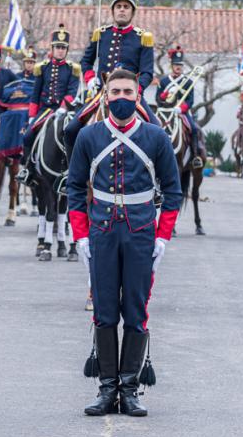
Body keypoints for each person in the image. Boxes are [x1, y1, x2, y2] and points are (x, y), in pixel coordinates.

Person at [67, 68, 182, 417]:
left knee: (135, 310)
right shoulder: (88, 137)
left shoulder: (156, 137)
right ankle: (106, 390)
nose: (120, 98)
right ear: (104, 94)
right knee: (104, 310)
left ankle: (130, 390)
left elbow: (174, 191)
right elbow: (74, 189)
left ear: (138, 96)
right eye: (114, 91)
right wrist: (81, 235)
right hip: (101, 231)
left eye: (127, 92)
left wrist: (162, 237)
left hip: (141, 232)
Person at [65, 0, 159, 159]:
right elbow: (86, 62)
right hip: (103, 93)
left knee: (158, 131)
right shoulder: (101, 34)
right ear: (113, 10)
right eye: (118, 6)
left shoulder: (143, 37)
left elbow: (147, 72)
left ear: (132, 11)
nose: (122, 10)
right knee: (70, 130)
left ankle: (158, 179)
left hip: (133, 95)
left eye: (126, 6)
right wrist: (91, 77)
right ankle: (71, 176)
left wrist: (136, 91)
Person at [17, 25, 80, 185]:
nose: (60, 50)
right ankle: (27, 169)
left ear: (67, 50)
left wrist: (63, 108)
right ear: (52, 48)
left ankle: (75, 169)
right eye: (58, 47)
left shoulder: (73, 69)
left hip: (64, 111)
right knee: (28, 135)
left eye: (63, 48)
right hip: (45, 110)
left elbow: (72, 92)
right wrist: (32, 116)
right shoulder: (42, 68)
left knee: (74, 134)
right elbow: (35, 95)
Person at [157, 46, 204, 167]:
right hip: (165, 112)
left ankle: (195, 157)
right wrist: (166, 94)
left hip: (181, 112)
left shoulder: (188, 82)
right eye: (176, 64)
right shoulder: (163, 82)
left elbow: (190, 101)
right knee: (152, 127)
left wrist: (181, 108)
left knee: (194, 129)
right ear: (171, 65)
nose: (178, 67)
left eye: (180, 65)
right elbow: (157, 99)